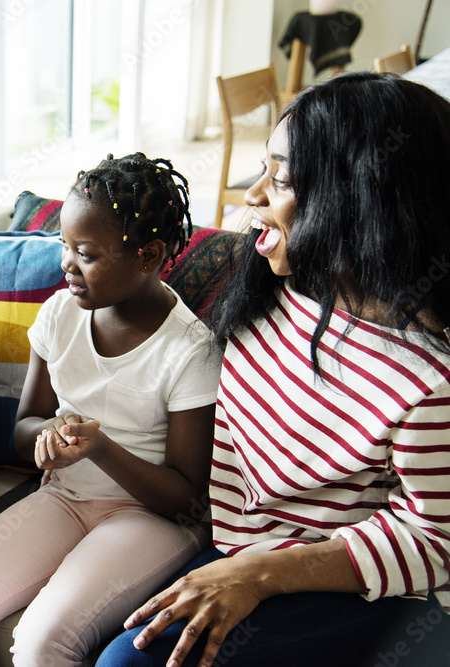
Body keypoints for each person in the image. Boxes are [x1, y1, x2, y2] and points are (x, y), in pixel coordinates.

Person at [98, 72, 450, 667]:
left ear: (358, 198)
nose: (250, 195)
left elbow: (438, 542)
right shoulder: (278, 286)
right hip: (240, 547)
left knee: (126, 662)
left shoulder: (429, 381)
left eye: (280, 178)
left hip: (353, 584)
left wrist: (261, 573)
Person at [0, 153, 224, 666]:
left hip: (147, 518)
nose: (66, 265)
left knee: (41, 644)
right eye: (63, 245)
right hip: (64, 499)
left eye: (86, 253)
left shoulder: (190, 350)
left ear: (147, 256)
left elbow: (186, 498)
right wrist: (49, 436)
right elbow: (23, 429)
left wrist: (99, 448)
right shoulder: (61, 313)